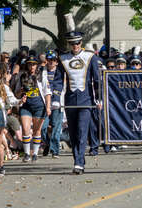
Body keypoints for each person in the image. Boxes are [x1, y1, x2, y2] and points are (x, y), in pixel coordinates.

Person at [59, 13, 101, 174]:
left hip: (86, 100)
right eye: (72, 44)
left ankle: (78, 162)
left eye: (77, 43)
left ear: (81, 42)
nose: (75, 46)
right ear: (69, 44)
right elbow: (57, 80)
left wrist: (99, 98)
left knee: (83, 131)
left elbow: (96, 80)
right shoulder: (63, 58)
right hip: (70, 100)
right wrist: (56, 98)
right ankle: (79, 158)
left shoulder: (90, 57)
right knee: (74, 133)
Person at [17, 55, 52, 162]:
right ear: (27, 65)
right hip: (26, 106)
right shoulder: (22, 76)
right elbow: (17, 93)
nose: (32, 66)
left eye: (34, 64)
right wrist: (21, 92)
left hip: (39, 106)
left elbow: (47, 92)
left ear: (37, 65)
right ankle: (27, 153)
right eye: (30, 64)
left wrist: (48, 107)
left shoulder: (41, 75)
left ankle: (35, 154)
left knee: (37, 130)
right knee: (26, 128)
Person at [41, 50, 64, 159]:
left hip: (57, 103)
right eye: (49, 60)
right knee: (42, 127)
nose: (51, 62)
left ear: (57, 62)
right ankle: (47, 143)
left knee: (56, 127)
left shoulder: (61, 72)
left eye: (53, 60)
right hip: (43, 103)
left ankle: (55, 150)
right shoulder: (41, 71)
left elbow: (59, 86)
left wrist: (57, 99)